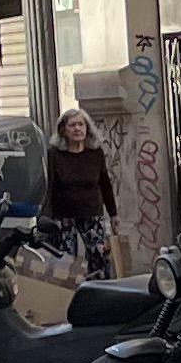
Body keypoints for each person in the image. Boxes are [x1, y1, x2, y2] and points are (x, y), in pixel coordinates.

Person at [42, 107, 120, 269]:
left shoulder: (95, 153)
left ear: (87, 128)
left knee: (99, 258)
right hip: (63, 215)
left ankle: (99, 291)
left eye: (81, 124)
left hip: (91, 213)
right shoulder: (54, 154)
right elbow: (48, 187)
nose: (77, 128)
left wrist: (113, 214)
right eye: (72, 125)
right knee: (64, 262)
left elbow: (104, 183)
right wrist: (46, 217)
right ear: (63, 130)